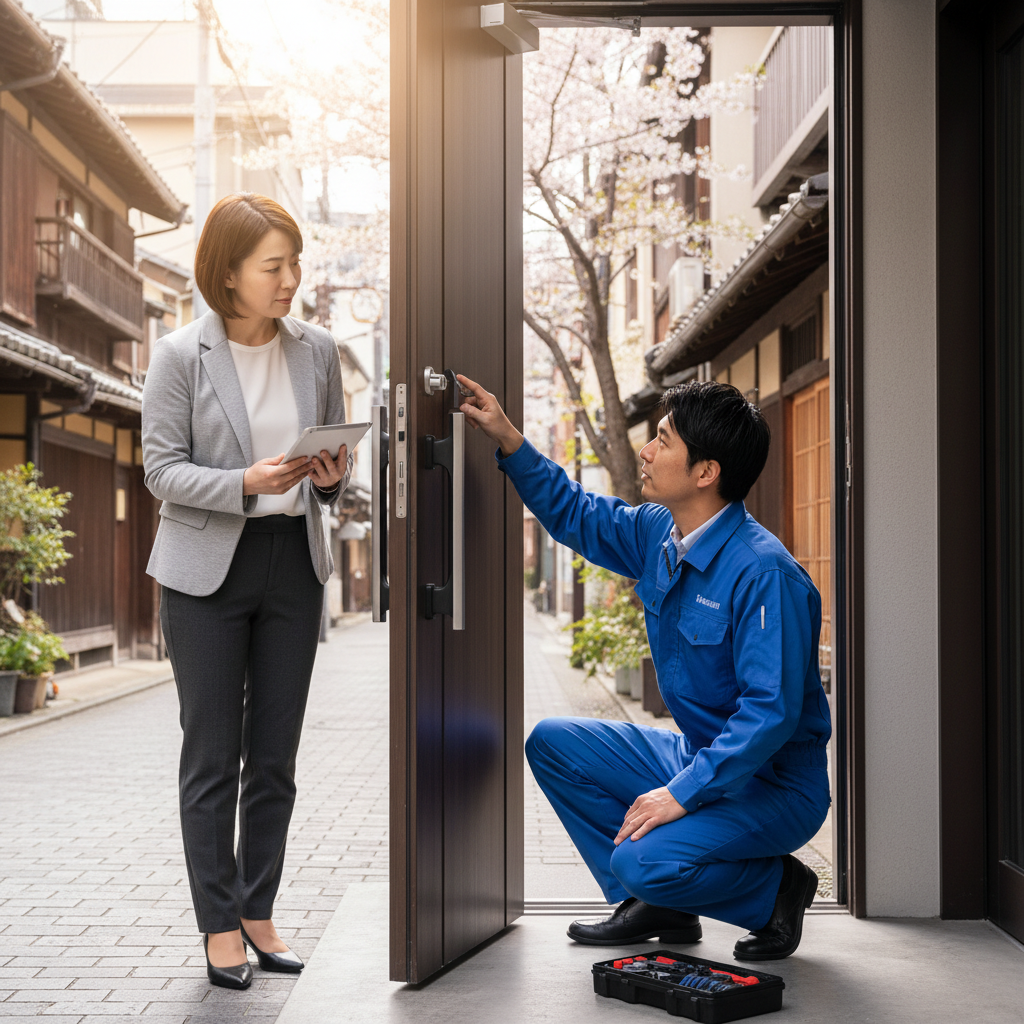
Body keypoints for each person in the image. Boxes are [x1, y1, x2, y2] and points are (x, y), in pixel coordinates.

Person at [457, 375, 831, 962]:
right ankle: (662, 906)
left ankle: (777, 889)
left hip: (775, 784)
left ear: (706, 472)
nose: (646, 450)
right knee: (553, 743)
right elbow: (576, 513)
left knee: (640, 860)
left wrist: (679, 795)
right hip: (698, 755)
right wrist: (508, 437)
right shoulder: (661, 531)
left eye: (663, 439)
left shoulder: (765, 575)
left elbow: (769, 713)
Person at [142, 193, 352, 990]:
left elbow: (331, 470)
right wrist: (243, 482)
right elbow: (161, 469)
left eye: (295, 263)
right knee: (211, 755)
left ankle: (259, 911)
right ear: (228, 273)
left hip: (292, 563)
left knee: (274, 756)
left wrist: (328, 478)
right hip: (205, 573)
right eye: (274, 266)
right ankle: (219, 923)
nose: (290, 279)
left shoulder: (318, 351)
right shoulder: (179, 355)